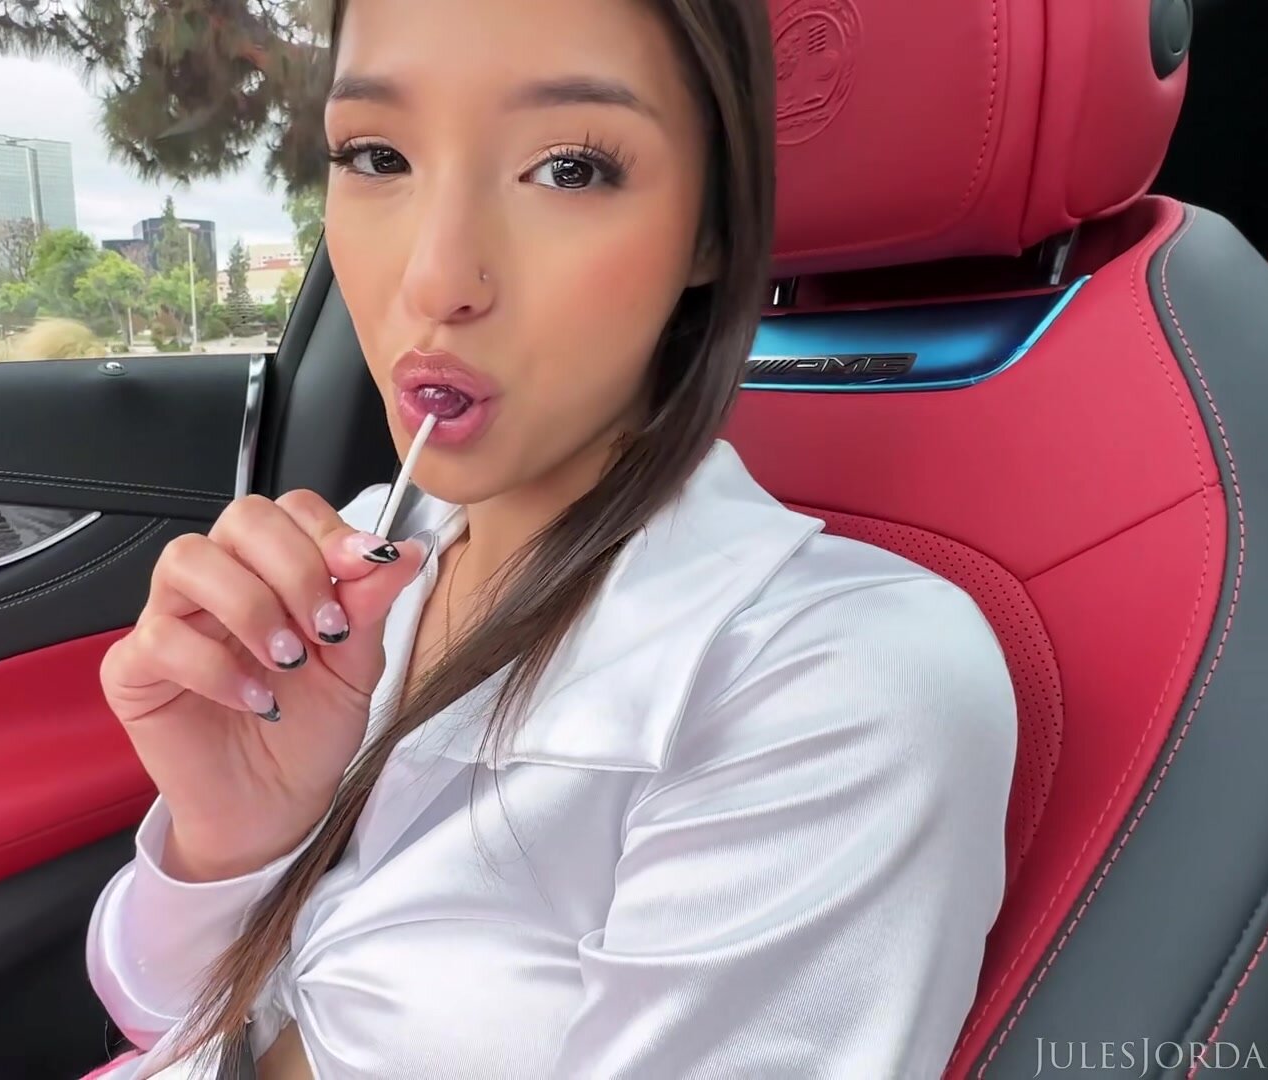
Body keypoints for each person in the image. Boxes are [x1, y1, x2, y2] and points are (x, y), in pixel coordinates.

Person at [87, 0, 1018, 1075]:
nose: (435, 280)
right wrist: (227, 838)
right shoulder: (357, 559)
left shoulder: (830, 682)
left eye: (569, 169)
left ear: (711, 225)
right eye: (377, 155)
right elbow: (159, 1016)